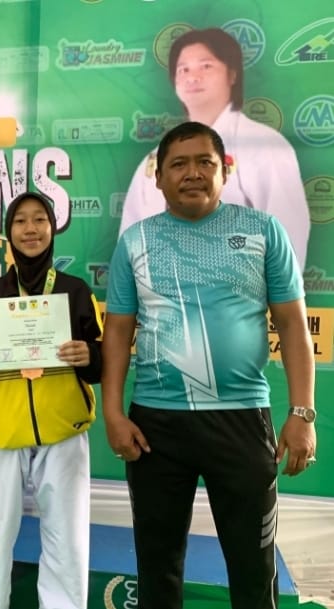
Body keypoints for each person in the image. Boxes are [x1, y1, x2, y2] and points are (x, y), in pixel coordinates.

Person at [102, 122, 316, 609]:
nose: (192, 173)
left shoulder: (263, 231)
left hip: (241, 420)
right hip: (156, 426)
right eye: (178, 164)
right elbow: (117, 332)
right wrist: (112, 414)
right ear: (158, 177)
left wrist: (302, 413)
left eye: (205, 162)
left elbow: (292, 325)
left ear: (226, 170)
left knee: (253, 570)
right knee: (158, 569)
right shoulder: (135, 241)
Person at [0, 191, 104, 609]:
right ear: (9, 232)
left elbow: (100, 364)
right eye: (21, 221)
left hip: (63, 428)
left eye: (40, 219)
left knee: (67, 538)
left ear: (53, 229)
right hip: (1, 429)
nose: (31, 229)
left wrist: (89, 355)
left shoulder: (75, 291)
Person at [119, 28, 310, 269]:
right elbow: (129, 243)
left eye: (206, 66)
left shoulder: (265, 145)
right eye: (183, 69)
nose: (192, 77)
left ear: (232, 74)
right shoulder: (155, 159)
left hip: (240, 290)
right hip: (161, 290)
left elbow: (288, 234)